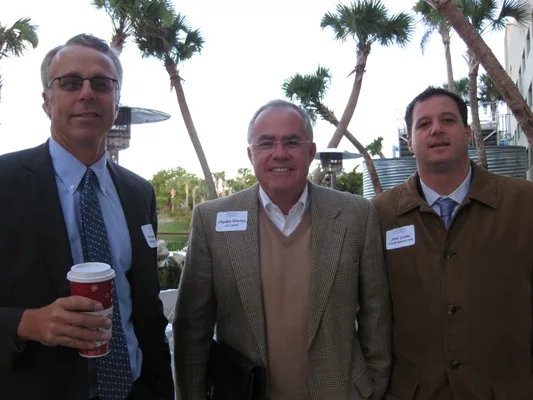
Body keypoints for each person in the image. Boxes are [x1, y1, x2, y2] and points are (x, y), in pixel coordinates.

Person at [173, 99, 391, 400]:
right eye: (266, 143)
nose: (279, 153)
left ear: (311, 152)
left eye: (292, 142)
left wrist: (372, 386)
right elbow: (192, 329)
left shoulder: (356, 215)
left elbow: (376, 312)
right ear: (251, 154)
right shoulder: (211, 221)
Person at [0, 34, 174, 400]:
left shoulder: (139, 193)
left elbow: (146, 306)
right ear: (47, 101)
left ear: (116, 101)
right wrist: (27, 323)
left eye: (101, 83)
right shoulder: (5, 182)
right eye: (69, 82)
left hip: (135, 390)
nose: (87, 93)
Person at [372, 86, 533, 399]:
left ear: (468, 132)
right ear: (409, 141)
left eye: (448, 120)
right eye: (424, 124)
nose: (436, 130)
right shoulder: (380, 214)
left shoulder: (523, 203)